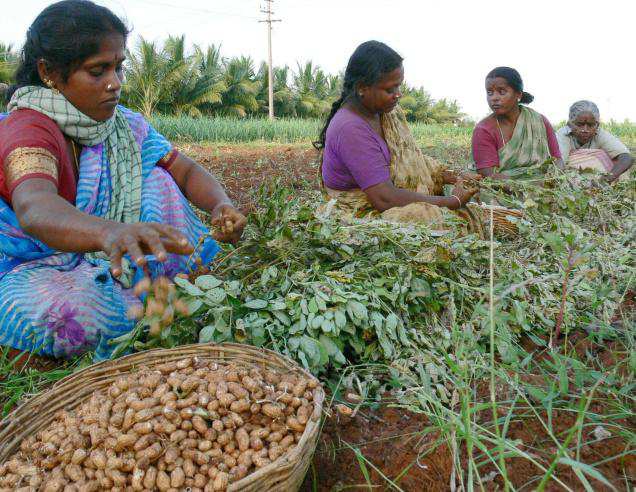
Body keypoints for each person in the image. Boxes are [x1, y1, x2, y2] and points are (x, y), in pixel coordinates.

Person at [0, 0, 246, 360]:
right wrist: (109, 232)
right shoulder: (28, 128)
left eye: (119, 67)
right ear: (49, 71)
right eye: (98, 71)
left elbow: (185, 170)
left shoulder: (124, 125)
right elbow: (34, 207)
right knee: (79, 317)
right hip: (35, 264)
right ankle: (151, 298)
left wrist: (221, 204)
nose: (115, 84)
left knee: (159, 181)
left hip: (108, 252)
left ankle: (171, 284)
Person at [315, 40, 480, 227]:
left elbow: (410, 158)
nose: (398, 95)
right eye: (390, 89)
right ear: (362, 88)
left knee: (457, 214)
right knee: (435, 220)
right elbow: (384, 199)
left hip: (384, 200)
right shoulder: (350, 128)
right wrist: (453, 201)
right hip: (358, 215)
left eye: (399, 87)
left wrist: (448, 175)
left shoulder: (383, 113)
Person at [472, 67, 562, 180]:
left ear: (518, 94)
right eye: (489, 92)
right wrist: (528, 188)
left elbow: (557, 159)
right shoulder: (484, 129)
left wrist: (555, 181)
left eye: (501, 92)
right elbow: (488, 174)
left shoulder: (539, 121)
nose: (494, 98)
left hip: (545, 185)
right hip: (502, 191)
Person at [556, 100, 633, 183]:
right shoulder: (563, 135)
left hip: (599, 182)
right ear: (570, 124)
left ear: (597, 125)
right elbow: (559, 163)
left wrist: (604, 181)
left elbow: (626, 158)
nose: (585, 130)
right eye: (580, 124)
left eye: (590, 125)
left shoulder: (600, 134)